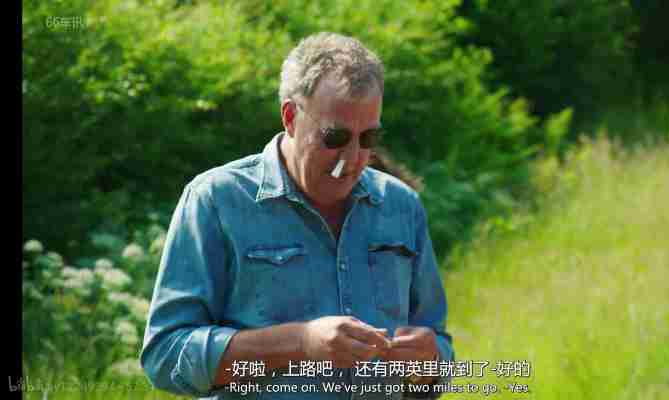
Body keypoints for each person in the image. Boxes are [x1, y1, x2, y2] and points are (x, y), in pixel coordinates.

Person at [140, 32, 454, 399]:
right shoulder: (216, 201)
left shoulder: (400, 205)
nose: (352, 159)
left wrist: (428, 364)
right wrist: (299, 343)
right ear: (290, 117)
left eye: (368, 139)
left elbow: (437, 353)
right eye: (335, 138)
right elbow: (166, 356)